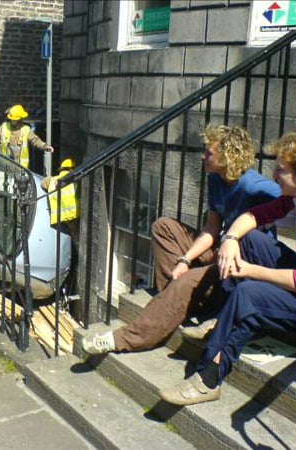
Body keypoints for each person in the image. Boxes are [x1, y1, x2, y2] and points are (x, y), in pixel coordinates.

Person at [159, 132, 296, 406]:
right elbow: (255, 216)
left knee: (250, 294)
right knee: (248, 238)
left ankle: (208, 378)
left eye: (281, 170)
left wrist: (249, 270)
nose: (274, 175)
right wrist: (229, 239)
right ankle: (224, 317)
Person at [80, 125, 281, 355]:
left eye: (209, 152)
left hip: (241, 265)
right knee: (163, 227)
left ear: (228, 155)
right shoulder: (216, 179)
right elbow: (211, 229)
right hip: (221, 249)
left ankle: (124, 338)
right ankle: (175, 303)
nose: (203, 156)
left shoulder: (254, 186)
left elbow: (291, 200)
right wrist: (185, 259)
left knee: (188, 282)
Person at [0, 104, 53, 169]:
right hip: (5, 166)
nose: (13, 121)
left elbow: (35, 140)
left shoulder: (26, 129)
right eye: (12, 119)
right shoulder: (4, 127)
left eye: (15, 119)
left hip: (21, 168)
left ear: (20, 119)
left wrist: (45, 146)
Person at [41, 158, 80, 243]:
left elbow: (44, 184)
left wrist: (47, 179)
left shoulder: (53, 180)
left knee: (72, 236)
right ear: (72, 169)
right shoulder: (76, 178)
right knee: (78, 237)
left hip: (61, 216)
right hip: (75, 214)